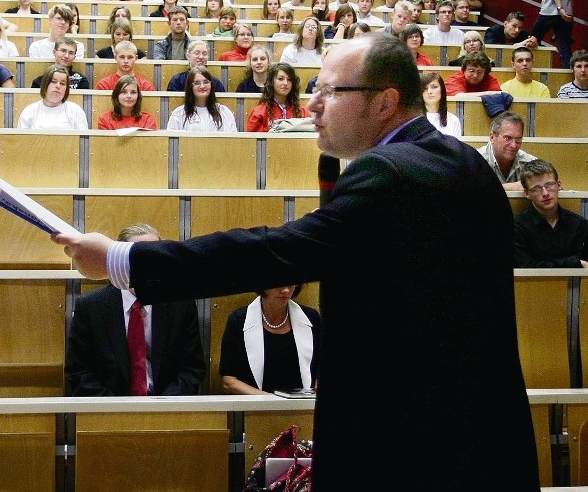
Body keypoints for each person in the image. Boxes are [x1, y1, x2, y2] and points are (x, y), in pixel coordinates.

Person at [53, 32, 541, 492]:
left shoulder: (388, 172)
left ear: (386, 102)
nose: (311, 104)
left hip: (409, 451)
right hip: (489, 439)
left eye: (330, 91)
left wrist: (122, 260)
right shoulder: (467, 164)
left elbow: (274, 251)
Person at [65, 222, 205, 396]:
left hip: (168, 410)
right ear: (121, 261)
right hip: (107, 413)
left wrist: (163, 408)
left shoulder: (180, 305)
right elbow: (79, 372)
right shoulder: (91, 306)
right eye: (141, 255)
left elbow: (192, 369)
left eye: (155, 254)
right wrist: (120, 410)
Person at [220, 283, 321, 394]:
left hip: (302, 408)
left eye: (291, 284)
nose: (286, 290)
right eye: (280, 283)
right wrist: (269, 400)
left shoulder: (311, 317)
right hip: (255, 408)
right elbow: (229, 381)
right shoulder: (238, 320)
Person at [515, 159, 588, 269]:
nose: (545, 193)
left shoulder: (580, 224)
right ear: (527, 193)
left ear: (559, 185)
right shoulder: (517, 226)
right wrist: (574, 263)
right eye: (536, 188)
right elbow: (525, 267)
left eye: (549, 185)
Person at [476, 110, 537, 190]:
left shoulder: (529, 162)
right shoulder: (475, 161)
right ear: (492, 137)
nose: (514, 145)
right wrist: (509, 187)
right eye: (507, 138)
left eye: (518, 139)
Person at [166, 66, 237, 132]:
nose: (202, 86)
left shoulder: (224, 112)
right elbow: (172, 142)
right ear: (190, 87)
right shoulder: (178, 114)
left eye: (206, 82)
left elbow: (232, 141)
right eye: (197, 83)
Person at [17, 64, 88, 129]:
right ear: (45, 84)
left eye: (62, 83)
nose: (58, 86)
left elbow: (82, 141)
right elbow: (22, 141)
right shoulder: (29, 112)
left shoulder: (76, 111)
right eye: (53, 82)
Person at [246, 62, 309, 131]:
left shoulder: (303, 112)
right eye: (280, 79)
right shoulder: (259, 113)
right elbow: (253, 141)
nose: (285, 83)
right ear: (271, 82)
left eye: (289, 80)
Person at [421, 71, 462, 138]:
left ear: (442, 90)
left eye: (434, 87)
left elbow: (456, 148)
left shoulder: (454, 120)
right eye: (425, 88)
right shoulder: (414, 121)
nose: (429, 92)